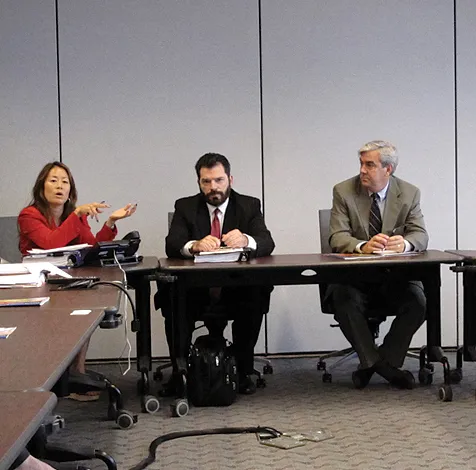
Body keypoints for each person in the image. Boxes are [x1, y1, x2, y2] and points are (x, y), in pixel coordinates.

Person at [156, 152, 275, 395]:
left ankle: (243, 372)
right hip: (195, 291)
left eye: (219, 180)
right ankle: (180, 374)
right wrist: (194, 245)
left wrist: (246, 239)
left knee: (255, 294)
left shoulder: (249, 205)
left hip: (235, 290)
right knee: (174, 299)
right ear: (198, 182)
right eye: (206, 182)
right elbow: (172, 244)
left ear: (230, 179)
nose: (213, 187)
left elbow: (267, 242)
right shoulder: (185, 206)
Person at [18, 161, 136, 400]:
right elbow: (51, 243)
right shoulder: (29, 215)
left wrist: (110, 223)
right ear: (41, 188)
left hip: (69, 282)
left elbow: (92, 247)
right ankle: (59, 377)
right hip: (38, 286)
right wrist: (77, 215)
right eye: (53, 180)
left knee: (87, 306)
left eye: (65, 182)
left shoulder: (75, 216)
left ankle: (76, 373)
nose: (60, 186)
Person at [326, 140, 428, 389]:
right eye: (361, 164)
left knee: (418, 301)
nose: (362, 170)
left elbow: (420, 235)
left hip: (396, 278)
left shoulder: (409, 193)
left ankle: (378, 363)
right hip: (356, 279)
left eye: (369, 165)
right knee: (342, 297)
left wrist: (404, 244)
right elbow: (336, 237)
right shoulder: (344, 191)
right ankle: (385, 368)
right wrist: (362, 246)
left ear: (388, 169)